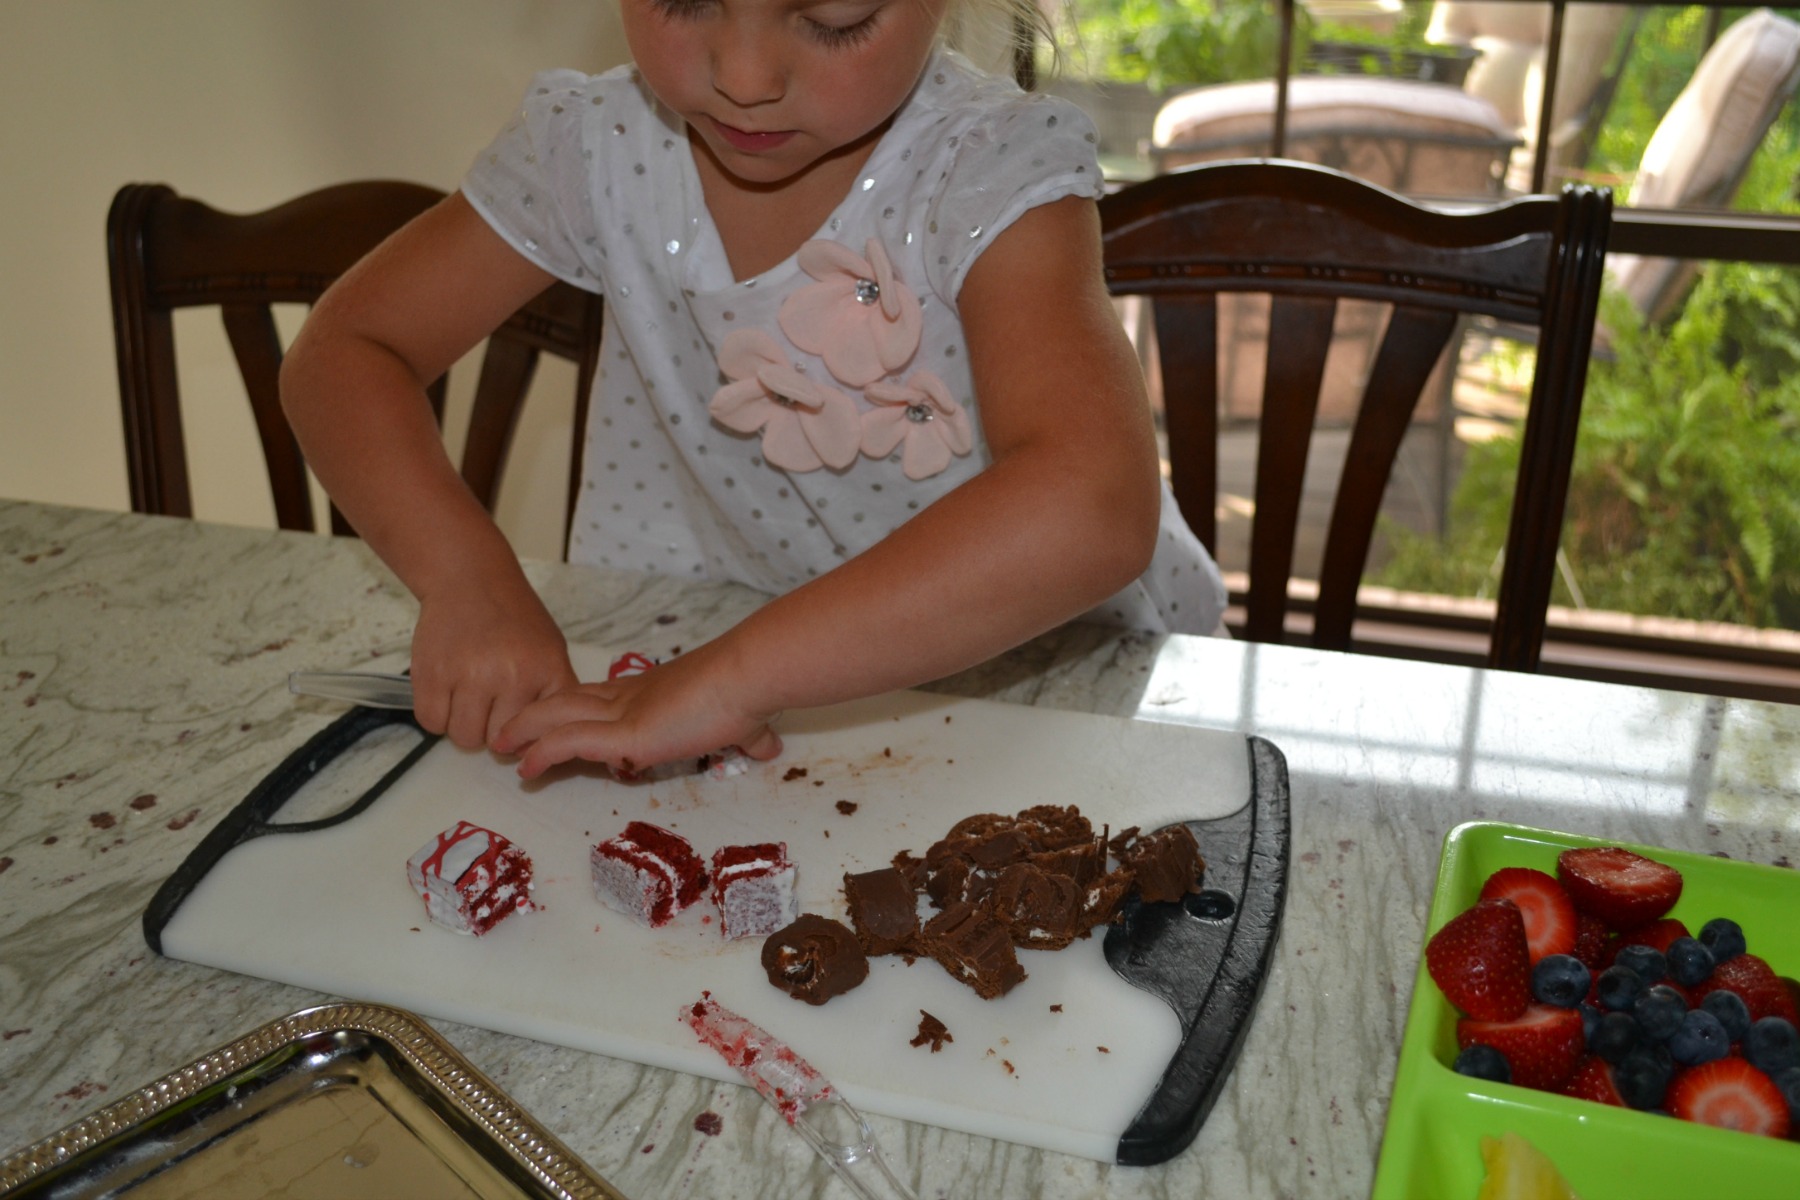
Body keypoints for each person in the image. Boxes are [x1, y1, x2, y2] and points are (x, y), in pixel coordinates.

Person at [280, 0, 1227, 781]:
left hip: (1039, 697)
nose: (743, 75)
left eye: (834, 17)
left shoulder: (985, 167)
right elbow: (345, 353)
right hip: (703, 666)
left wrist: (735, 678)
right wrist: (467, 582)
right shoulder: (595, 146)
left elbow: (1091, 508)